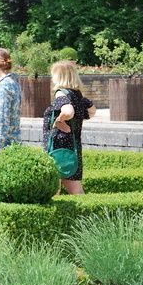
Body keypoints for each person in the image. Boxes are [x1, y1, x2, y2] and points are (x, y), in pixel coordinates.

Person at [42, 60, 96, 195]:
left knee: (53, 189)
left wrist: (59, 120)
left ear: (59, 76)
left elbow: (68, 111)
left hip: (58, 146)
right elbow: (92, 111)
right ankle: (86, 214)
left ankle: (56, 215)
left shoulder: (61, 93)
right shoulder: (77, 95)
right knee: (76, 189)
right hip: (73, 147)